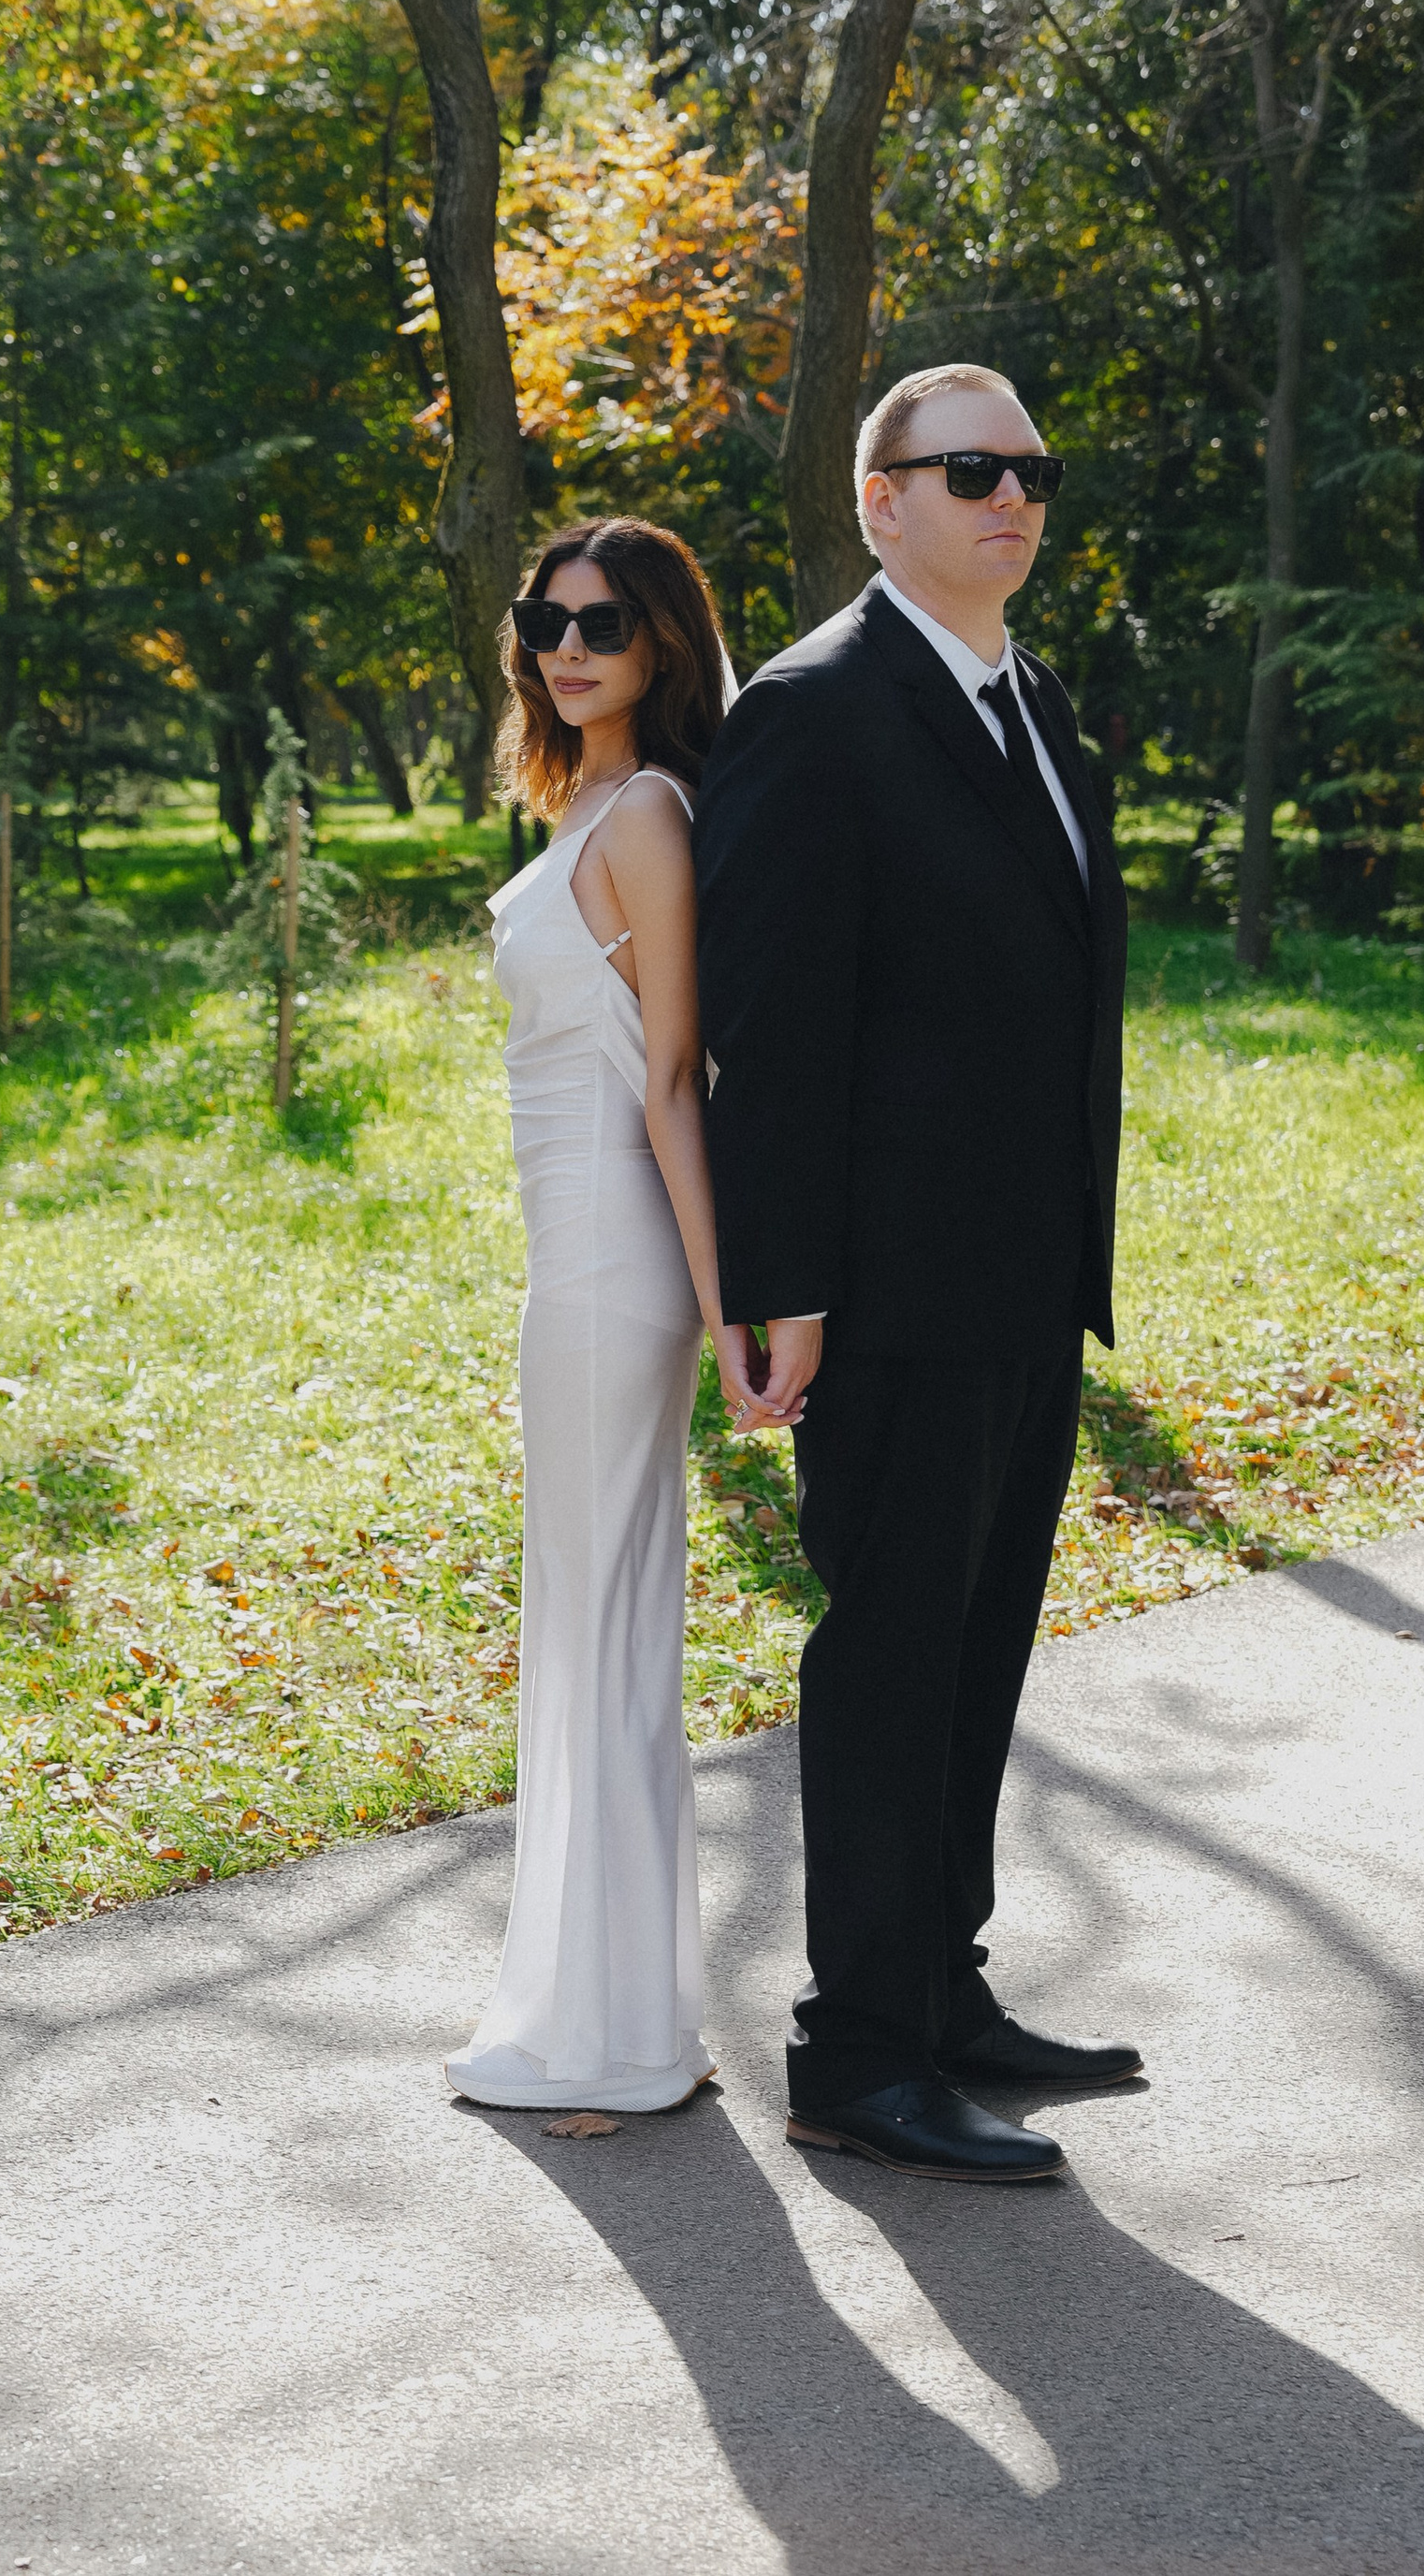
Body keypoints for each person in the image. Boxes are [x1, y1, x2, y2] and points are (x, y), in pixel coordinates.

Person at [694, 364, 1140, 2184]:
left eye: (1032, 468)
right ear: (879, 501)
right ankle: (858, 2050)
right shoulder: (815, 709)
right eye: (969, 470)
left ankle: (940, 1993)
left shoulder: (1031, 698)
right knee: (890, 1657)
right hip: (881, 1288)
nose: (1010, 495)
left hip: (1023, 1276)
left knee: (975, 1647)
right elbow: (770, 1021)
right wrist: (779, 1281)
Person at [446, 516, 765, 2116]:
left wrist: (732, 1316)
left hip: (608, 1266)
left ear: (663, 644)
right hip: (575, 1261)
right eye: (546, 619)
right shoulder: (590, 800)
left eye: (604, 624)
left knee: (603, 1635)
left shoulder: (645, 814)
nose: (567, 648)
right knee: (597, 1629)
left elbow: (676, 1083)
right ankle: (616, 2015)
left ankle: (616, 2034)